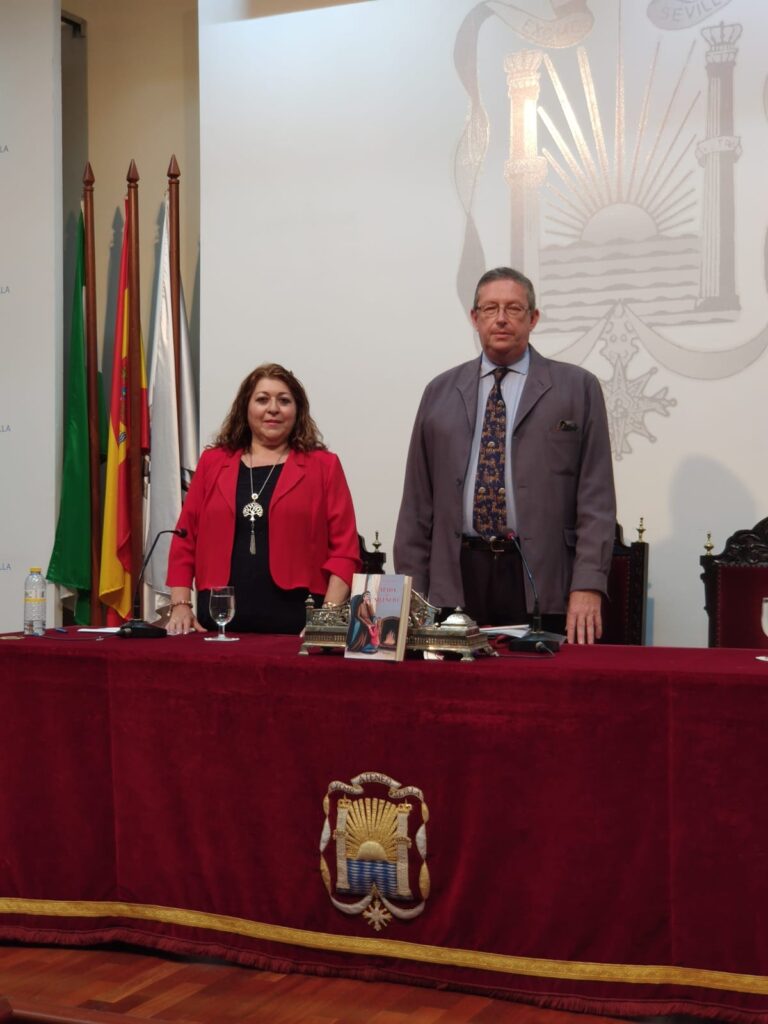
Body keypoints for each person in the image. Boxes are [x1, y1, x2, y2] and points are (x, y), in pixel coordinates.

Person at [393, 268, 616, 644]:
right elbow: (417, 502)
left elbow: (597, 500)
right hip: (457, 576)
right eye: (490, 308)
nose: (501, 318)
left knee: (537, 682)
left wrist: (588, 584)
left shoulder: (577, 388)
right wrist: (411, 592)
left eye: (513, 308)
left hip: (541, 575)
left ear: (533, 318)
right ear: (474, 317)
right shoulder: (439, 392)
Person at [166, 363, 361, 635]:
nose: (273, 409)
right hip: (218, 626)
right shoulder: (212, 462)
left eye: (284, 401)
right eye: (262, 399)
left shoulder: (323, 466)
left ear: (297, 411)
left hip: (297, 627)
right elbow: (185, 539)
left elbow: (345, 552)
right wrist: (180, 604)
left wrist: (326, 619)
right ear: (245, 408)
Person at [347, 589, 379, 654]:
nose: (368, 598)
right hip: (362, 620)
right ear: (363, 597)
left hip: (368, 620)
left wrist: (370, 605)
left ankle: (370, 645)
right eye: (367, 596)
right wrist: (365, 623)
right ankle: (361, 646)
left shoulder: (368, 605)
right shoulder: (360, 605)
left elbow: (372, 614)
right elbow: (358, 616)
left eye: (369, 596)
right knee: (368, 627)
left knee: (374, 628)